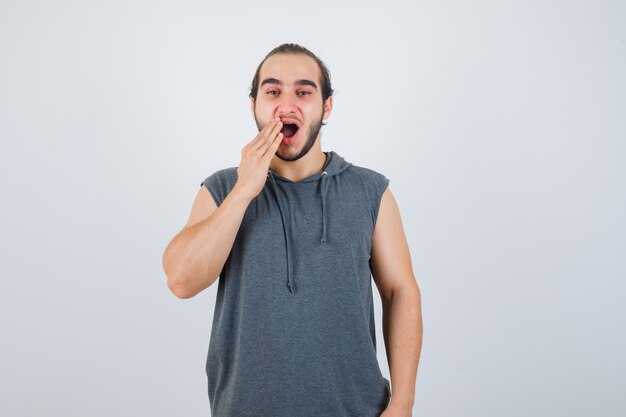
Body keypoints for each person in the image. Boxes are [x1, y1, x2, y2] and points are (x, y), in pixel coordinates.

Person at [162, 43, 422, 417]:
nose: (287, 105)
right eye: (272, 92)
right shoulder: (221, 189)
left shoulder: (370, 191)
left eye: (303, 91)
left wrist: (403, 404)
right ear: (253, 105)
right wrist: (245, 190)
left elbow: (400, 293)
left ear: (326, 106)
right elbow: (180, 281)